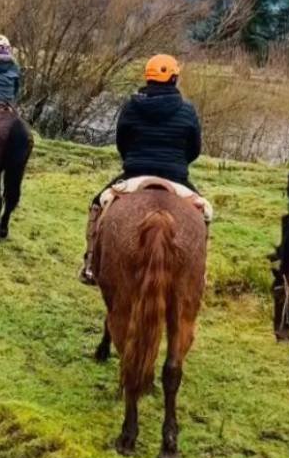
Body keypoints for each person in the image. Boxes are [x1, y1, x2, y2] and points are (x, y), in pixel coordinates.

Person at [79, 54, 202, 285]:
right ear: (174, 79)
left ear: (148, 78)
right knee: (204, 213)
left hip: (135, 173)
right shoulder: (187, 111)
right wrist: (178, 162)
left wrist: (134, 159)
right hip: (176, 177)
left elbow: (121, 143)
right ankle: (198, 274)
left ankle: (91, 263)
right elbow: (194, 149)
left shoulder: (130, 107)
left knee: (98, 203)